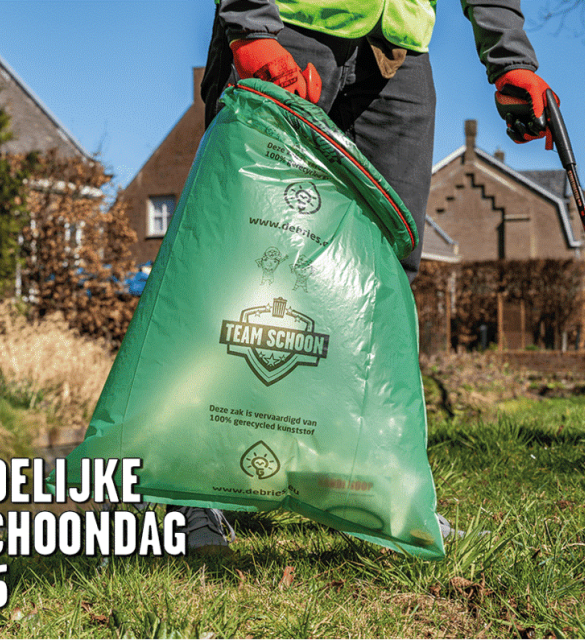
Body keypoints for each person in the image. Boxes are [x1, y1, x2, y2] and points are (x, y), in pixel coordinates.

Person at [175, 0, 558, 554]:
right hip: (290, 27)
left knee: (385, 272)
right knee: (250, 252)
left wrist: (510, 58)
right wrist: (250, 24)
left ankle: (375, 493)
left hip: (397, 52)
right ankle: (194, 486)